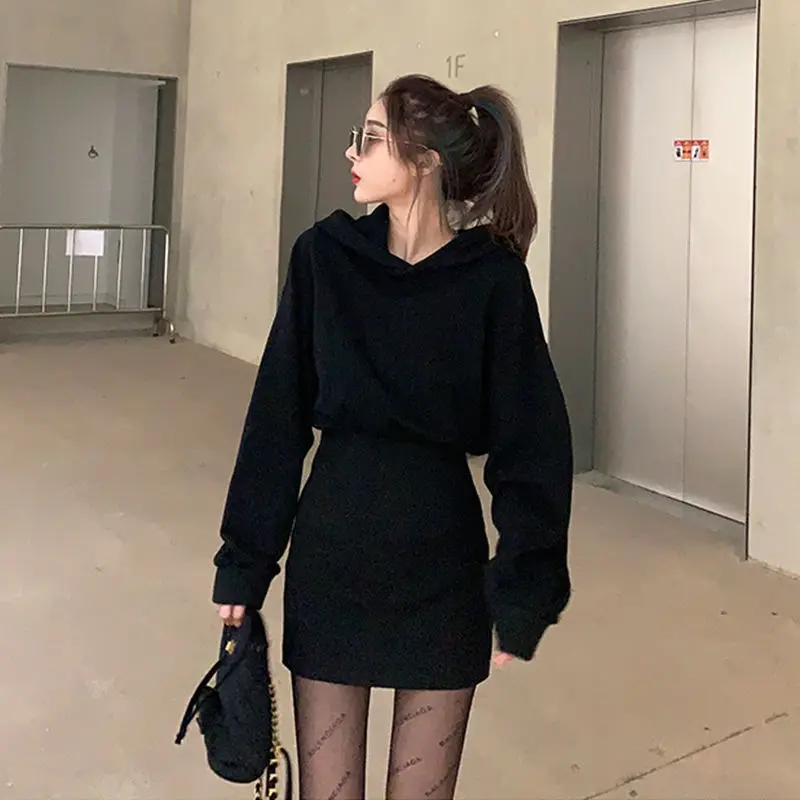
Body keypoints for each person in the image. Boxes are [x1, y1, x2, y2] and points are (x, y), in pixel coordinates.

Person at [211, 74, 574, 800]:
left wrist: (523, 589)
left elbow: (532, 445)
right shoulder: (324, 257)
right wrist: (244, 564)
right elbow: (277, 418)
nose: (352, 152)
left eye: (371, 139)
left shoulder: (493, 282)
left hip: (443, 574)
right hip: (332, 562)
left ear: (426, 160)